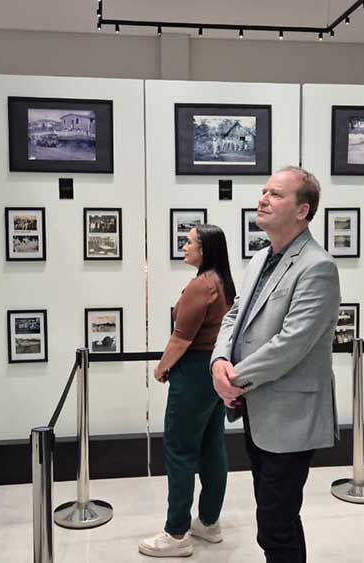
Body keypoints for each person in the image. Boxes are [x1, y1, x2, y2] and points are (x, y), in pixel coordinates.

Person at [211, 166, 341, 562]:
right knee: (276, 518)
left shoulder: (317, 266)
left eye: (275, 194)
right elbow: (234, 316)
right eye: (264, 191)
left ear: (302, 211)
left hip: (290, 415)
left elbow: (291, 344)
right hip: (258, 407)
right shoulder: (260, 259)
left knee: (275, 524)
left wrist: (234, 379)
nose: (263, 199)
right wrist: (219, 361)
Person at [139, 224, 236, 558]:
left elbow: (182, 337)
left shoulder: (201, 285)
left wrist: (162, 367)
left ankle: (176, 532)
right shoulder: (221, 282)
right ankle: (209, 521)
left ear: (204, 249)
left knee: (179, 450)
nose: (184, 246)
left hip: (193, 372)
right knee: (212, 446)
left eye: (189, 242)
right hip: (214, 370)